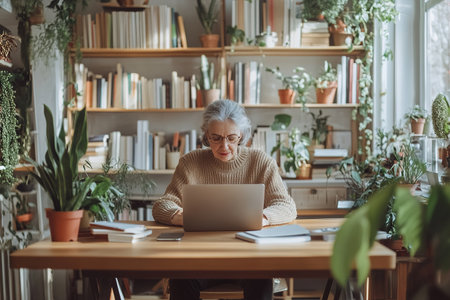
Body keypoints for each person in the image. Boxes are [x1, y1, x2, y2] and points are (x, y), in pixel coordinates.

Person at [152, 99, 297, 300]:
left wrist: (262, 217)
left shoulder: (260, 161)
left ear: (242, 136)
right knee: (180, 278)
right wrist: (180, 216)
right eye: (216, 138)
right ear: (206, 136)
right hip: (200, 259)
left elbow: (286, 206)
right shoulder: (190, 162)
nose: (224, 146)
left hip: (248, 259)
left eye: (231, 137)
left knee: (261, 277)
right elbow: (162, 205)